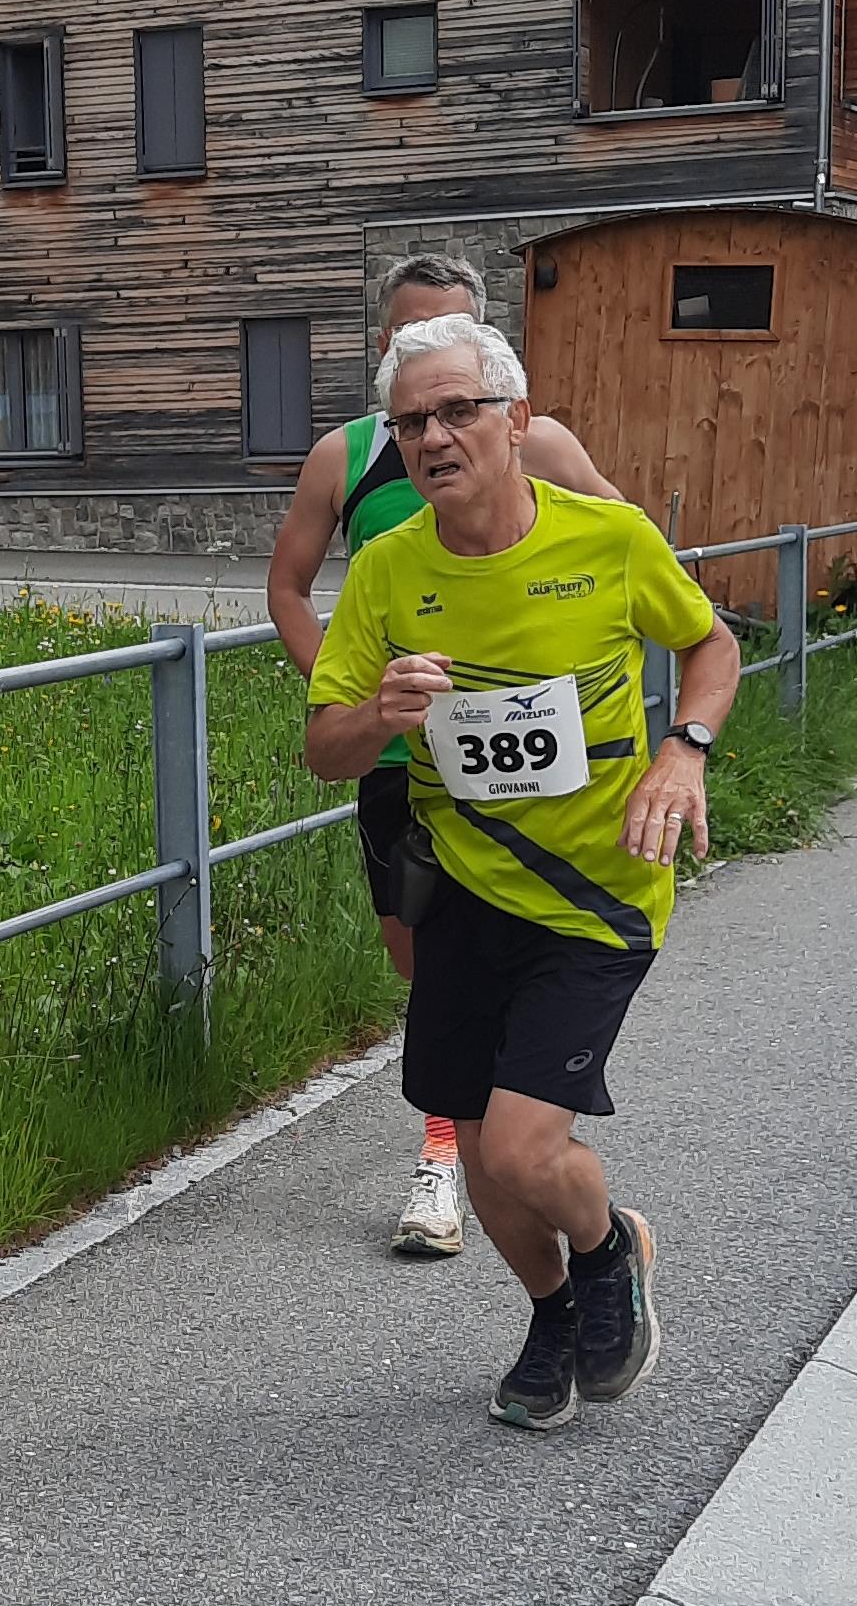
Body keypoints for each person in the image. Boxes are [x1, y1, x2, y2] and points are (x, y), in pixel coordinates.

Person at [305, 311, 739, 1431]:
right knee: (486, 1160)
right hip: (463, 895)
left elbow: (710, 644)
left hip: (601, 894)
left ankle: (609, 1252)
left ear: (518, 420)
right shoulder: (390, 571)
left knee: (522, 1143)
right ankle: (552, 1310)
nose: (435, 436)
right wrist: (379, 716)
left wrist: (684, 752)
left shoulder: (607, 538)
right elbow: (323, 749)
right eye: (412, 421)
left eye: (459, 410)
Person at [267, 254, 618, 1257]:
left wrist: (658, 733)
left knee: (530, 944)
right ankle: (467, 1138)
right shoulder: (349, 456)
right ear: (385, 350)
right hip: (401, 761)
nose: (434, 392)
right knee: (425, 959)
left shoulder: (536, 439)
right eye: (411, 339)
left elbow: (626, 551)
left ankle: (499, 1139)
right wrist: (357, 694)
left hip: (540, 773)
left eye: (454, 342)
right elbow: (288, 588)